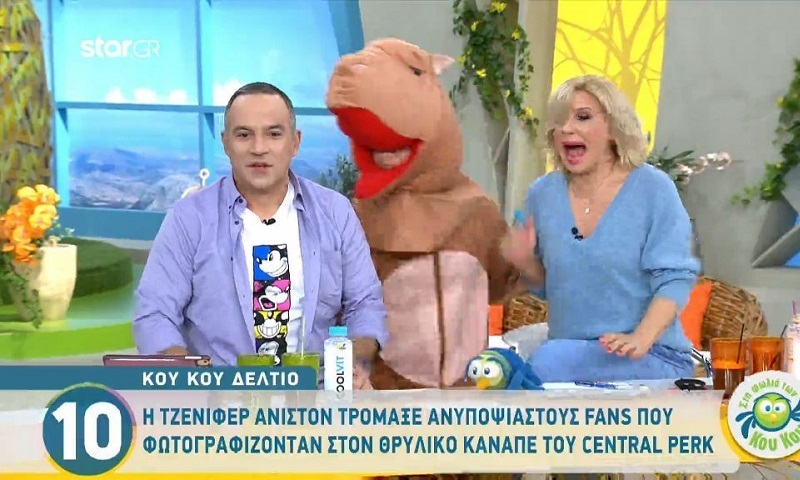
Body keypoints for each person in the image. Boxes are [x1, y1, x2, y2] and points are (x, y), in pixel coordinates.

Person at [132, 82, 387, 388]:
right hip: (220, 398)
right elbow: (155, 313)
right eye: (244, 135)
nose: (258, 148)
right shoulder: (189, 219)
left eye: (273, 134)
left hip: (317, 394)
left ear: (295, 142)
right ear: (226, 143)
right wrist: (185, 377)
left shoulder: (335, 212)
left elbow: (365, 303)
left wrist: (355, 364)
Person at [326, 38, 520, 390]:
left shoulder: (478, 211)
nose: (388, 156)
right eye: (376, 147)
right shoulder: (357, 220)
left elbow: (506, 287)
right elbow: (342, 312)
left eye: (396, 145)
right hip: (386, 398)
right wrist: (351, 368)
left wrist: (530, 260)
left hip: (467, 397)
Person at [500, 74, 700, 382]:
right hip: (571, 355)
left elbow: (674, 281)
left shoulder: (652, 188)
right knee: (499, 366)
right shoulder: (542, 194)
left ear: (613, 128)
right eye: (559, 121)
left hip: (650, 354)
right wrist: (525, 262)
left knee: (546, 363)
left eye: (582, 117)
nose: (566, 129)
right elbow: (552, 287)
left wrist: (640, 338)